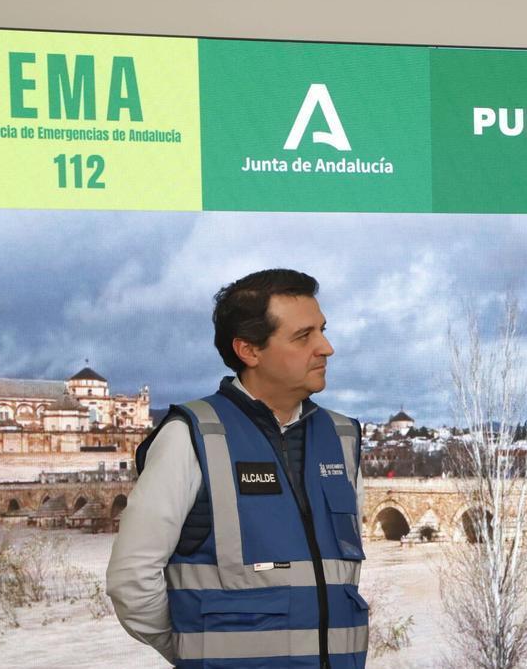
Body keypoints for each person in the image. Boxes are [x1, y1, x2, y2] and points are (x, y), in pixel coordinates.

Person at [106, 269, 368, 669]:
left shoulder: (342, 438)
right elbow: (132, 580)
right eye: (304, 336)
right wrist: (197, 648)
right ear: (249, 350)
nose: (326, 347)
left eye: (323, 330)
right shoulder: (190, 436)